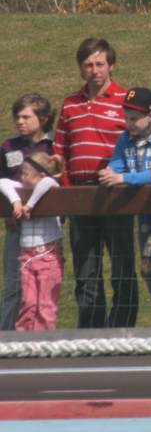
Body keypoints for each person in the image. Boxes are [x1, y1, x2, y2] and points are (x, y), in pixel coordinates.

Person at [54, 38, 137, 329]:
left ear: (111, 65)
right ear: (80, 68)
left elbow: (139, 144)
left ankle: (122, 332)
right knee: (86, 271)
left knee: (122, 268)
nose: (94, 70)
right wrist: (68, 192)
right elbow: (59, 151)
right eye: (88, 64)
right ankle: (90, 332)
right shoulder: (70, 103)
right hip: (79, 193)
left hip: (116, 194)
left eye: (100, 63)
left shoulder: (126, 99)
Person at [98, 88, 151, 325]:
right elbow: (116, 165)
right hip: (144, 220)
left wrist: (123, 178)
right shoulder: (125, 139)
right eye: (126, 117)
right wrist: (109, 173)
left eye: (134, 118)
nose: (128, 123)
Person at [1, 94, 55, 331]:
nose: (19, 122)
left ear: (43, 118)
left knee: (44, 287)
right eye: (17, 117)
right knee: (13, 285)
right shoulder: (8, 147)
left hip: (48, 230)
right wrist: (7, 211)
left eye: (25, 117)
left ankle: (41, 337)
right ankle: (5, 338)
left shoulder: (54, 146)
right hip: (17, 225)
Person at [0, 152, 66, 331]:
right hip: (27, 257)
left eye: (26, 174)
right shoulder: (22, 189)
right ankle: (25, 340)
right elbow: (2, 182)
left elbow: (48, 181)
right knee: (28, 303)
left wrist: (29, 205)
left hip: (49, 256)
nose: (21, 177)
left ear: (41, 175)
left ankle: (44, 342)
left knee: (45, 306)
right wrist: (16, 201)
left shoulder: (51, 187)